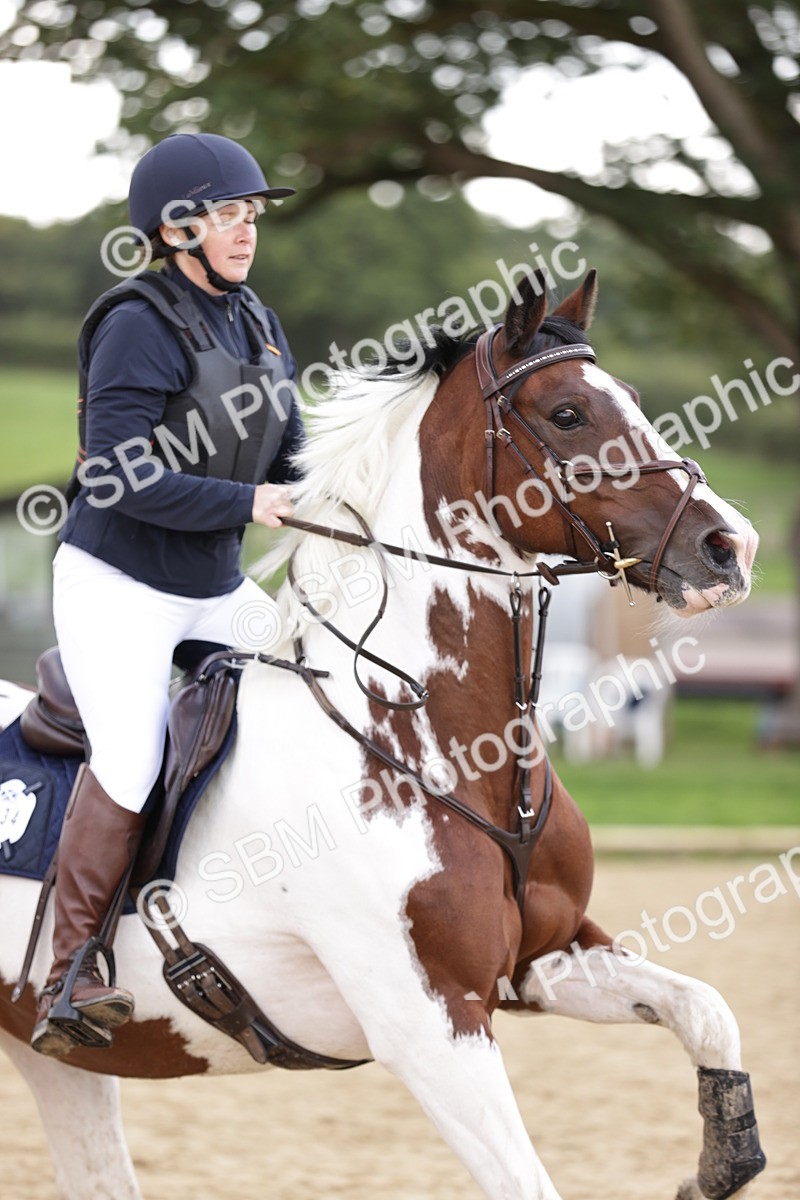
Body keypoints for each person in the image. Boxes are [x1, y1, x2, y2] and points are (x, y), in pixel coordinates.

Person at [32, 132, 305, 1058]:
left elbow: (296, 454)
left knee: (320, 687)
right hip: (123, 588)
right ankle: (74, 967)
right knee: (133, 751)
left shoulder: (257, 322)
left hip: (216, 585)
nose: (246, 230)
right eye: (227, 214)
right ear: (175, 227)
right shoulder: (137, 322)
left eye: (251, 214)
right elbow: (114, 475)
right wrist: (251, 500)